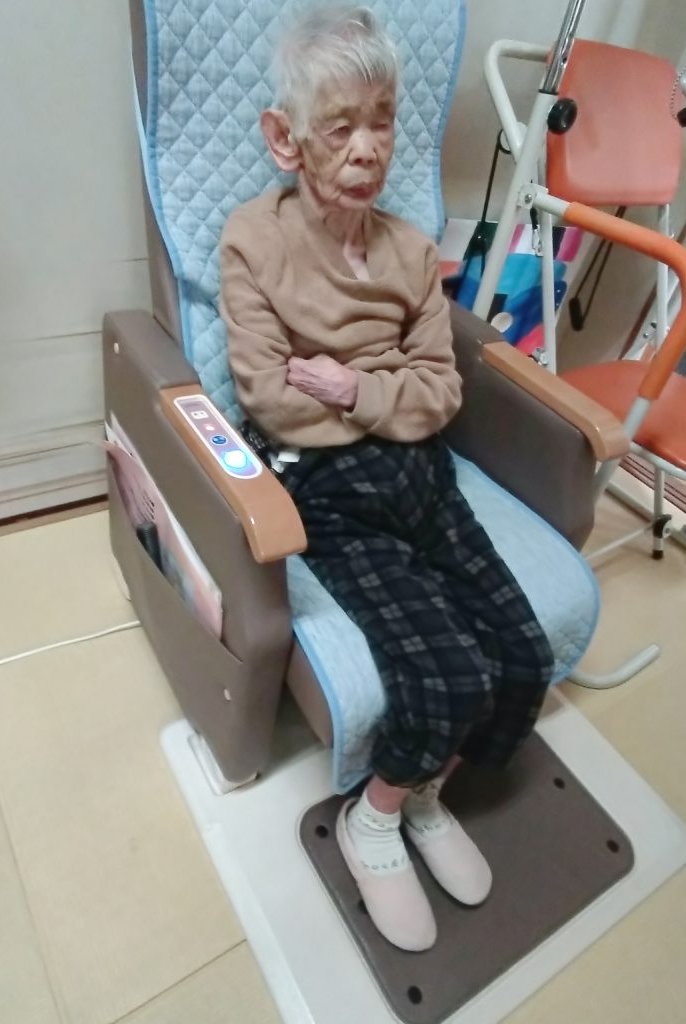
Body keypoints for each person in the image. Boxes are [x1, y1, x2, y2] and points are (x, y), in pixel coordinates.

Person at [220, 3, 554, 953]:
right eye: (340, 127)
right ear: (286, 139)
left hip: (419, 473)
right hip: (328, 491)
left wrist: (352, 386)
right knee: (450, 675)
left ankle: (425, 791)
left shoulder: (409, 251)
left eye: (383, 121)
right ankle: (373, 817)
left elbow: (440, 391)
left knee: (521, 654)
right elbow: (270, 400)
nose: (367, 148)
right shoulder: (254, 242)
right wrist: (388, 395)